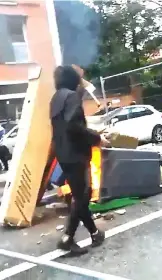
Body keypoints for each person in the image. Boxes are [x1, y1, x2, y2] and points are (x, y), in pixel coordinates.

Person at [50, 65, 109, 256]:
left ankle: (94, 233)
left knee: (80, 195)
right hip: (76, 154)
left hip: (63, 154)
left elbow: (63, 126)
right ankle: (67, 238)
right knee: (82, 196)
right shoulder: (71, 96)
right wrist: (97, 139)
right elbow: (74, 126)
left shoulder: (55, 98)